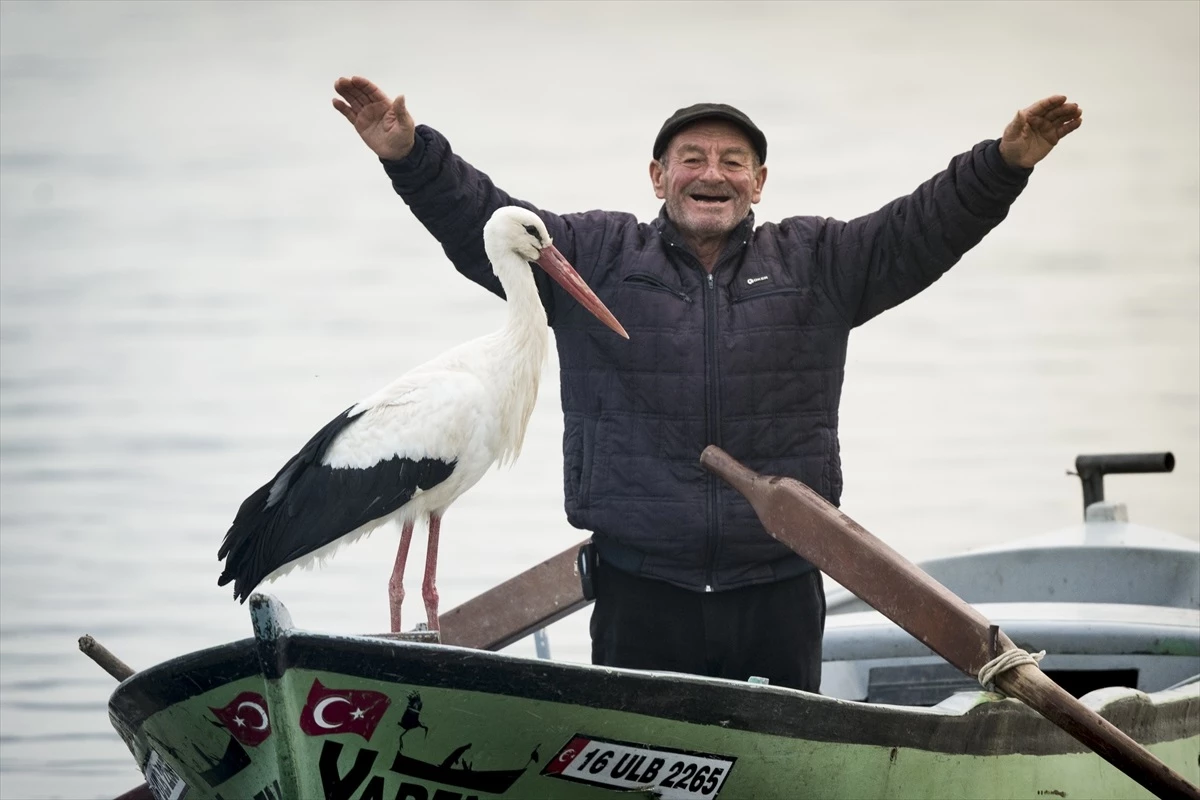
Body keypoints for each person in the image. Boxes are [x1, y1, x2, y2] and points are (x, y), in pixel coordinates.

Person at [331, 76, 1082, 692]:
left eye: (733, 160)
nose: (712, 174)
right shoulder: (593, 253)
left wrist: (1005, 162)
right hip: (640, 589)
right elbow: (483, 222)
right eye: (691, 158)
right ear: (658, 177)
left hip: (779, 584)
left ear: (759, 182)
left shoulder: (820, 261)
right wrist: (409, 154)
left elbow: (923, 228)